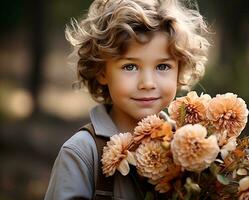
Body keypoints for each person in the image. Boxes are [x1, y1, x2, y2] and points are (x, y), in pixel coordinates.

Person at [44, 0, 210, 199]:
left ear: (179, 70)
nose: (147, 83)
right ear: (101, 71)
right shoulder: (81, 154)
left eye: (163, 66)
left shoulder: (192, 149)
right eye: (130, 66)